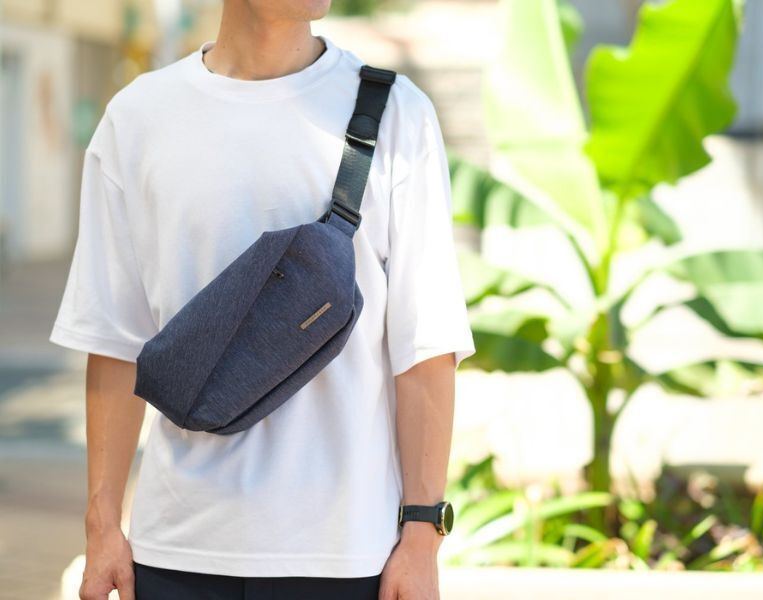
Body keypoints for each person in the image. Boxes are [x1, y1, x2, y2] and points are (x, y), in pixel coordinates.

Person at [48, 0, 476, 598]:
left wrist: (423, 536)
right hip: (178, 549)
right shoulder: (140, 117)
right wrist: (102, 528)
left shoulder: (396, 112)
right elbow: (114, 340)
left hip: (345, 557)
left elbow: (425, 346)